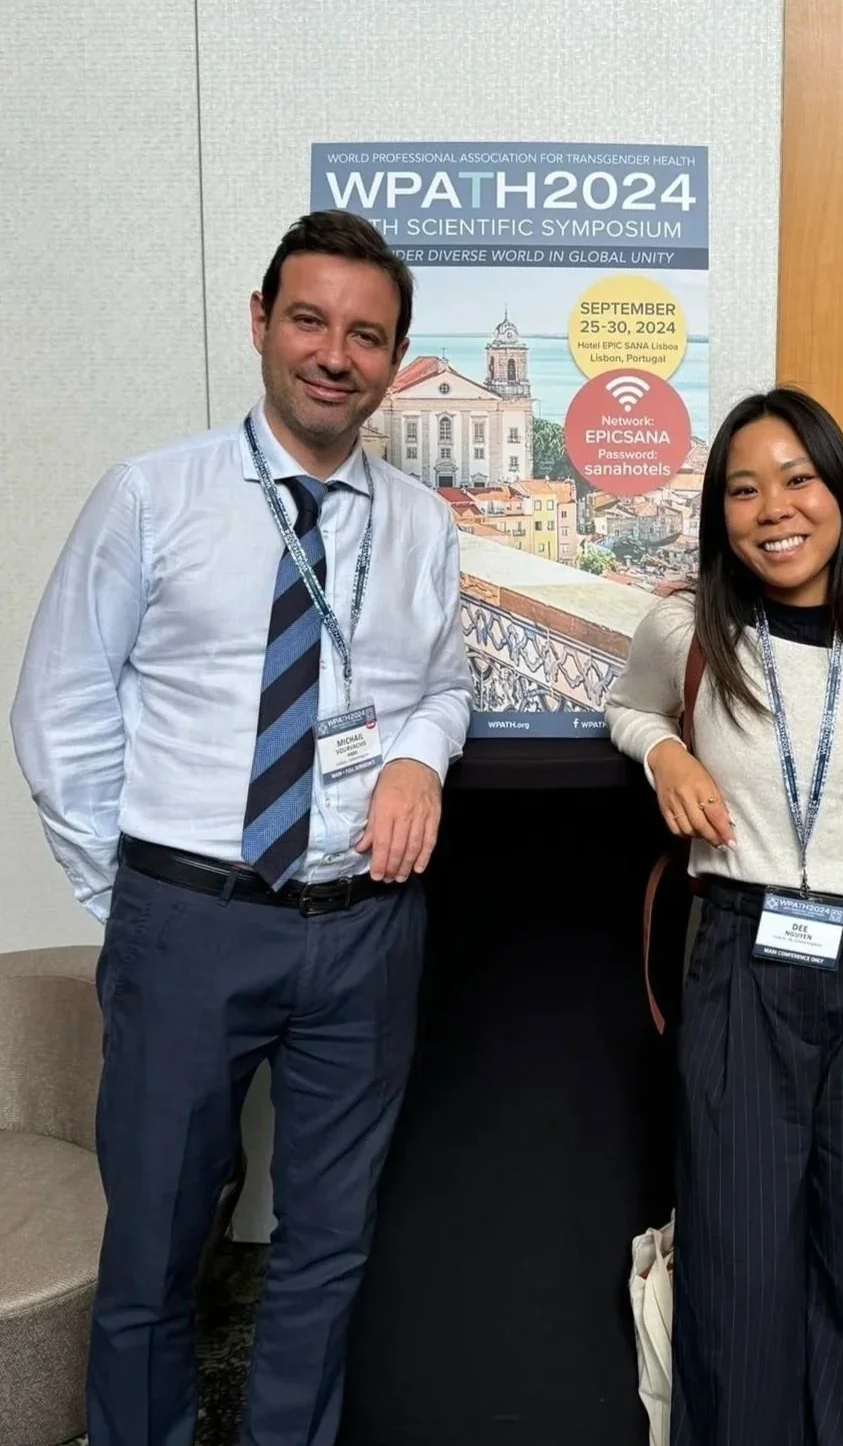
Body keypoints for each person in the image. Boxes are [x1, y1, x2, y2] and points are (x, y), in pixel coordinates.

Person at [10, 210, 473, 1446]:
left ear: (393, 357)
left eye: (366, 335)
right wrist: (138, 898)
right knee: (155, 1247)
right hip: (188, 919)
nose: (336, 353)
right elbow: (58, 699)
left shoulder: (419, 525)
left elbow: (439, 684)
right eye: (311, 320)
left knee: (325, 1245)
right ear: (261, 323)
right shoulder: (153, 496)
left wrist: (419, 761)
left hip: (364, 929)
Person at [606, 388, 843, 1446]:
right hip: (738, 956)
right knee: (737, 1263)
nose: (772, 507)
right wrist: (665, 750)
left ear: (838, 492)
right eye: (742, 487)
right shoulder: (687, 626)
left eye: (796, 478)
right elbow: (627, 705)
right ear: (719, 512)